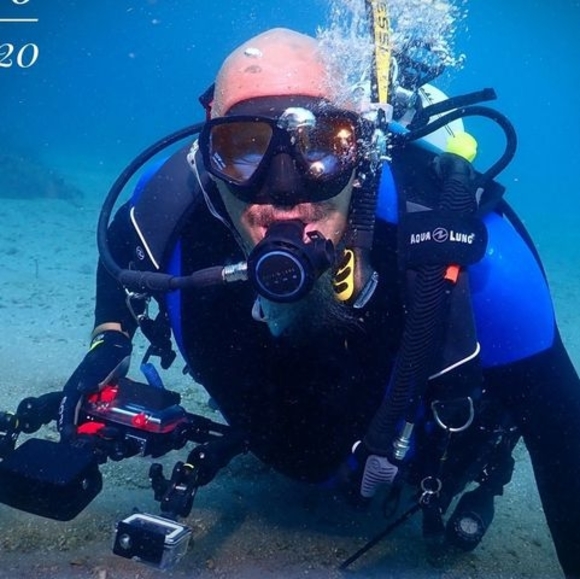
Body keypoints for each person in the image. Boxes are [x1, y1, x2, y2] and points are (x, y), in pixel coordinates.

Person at [54, 28, 579, 576]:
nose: (285, 193)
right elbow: (120, 251)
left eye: (323, 146)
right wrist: (108, 339)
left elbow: (562, 431)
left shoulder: (476, 260)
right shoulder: (166, 207)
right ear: (208, 153)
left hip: (415, 461)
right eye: (243, 149)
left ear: (363, 150)